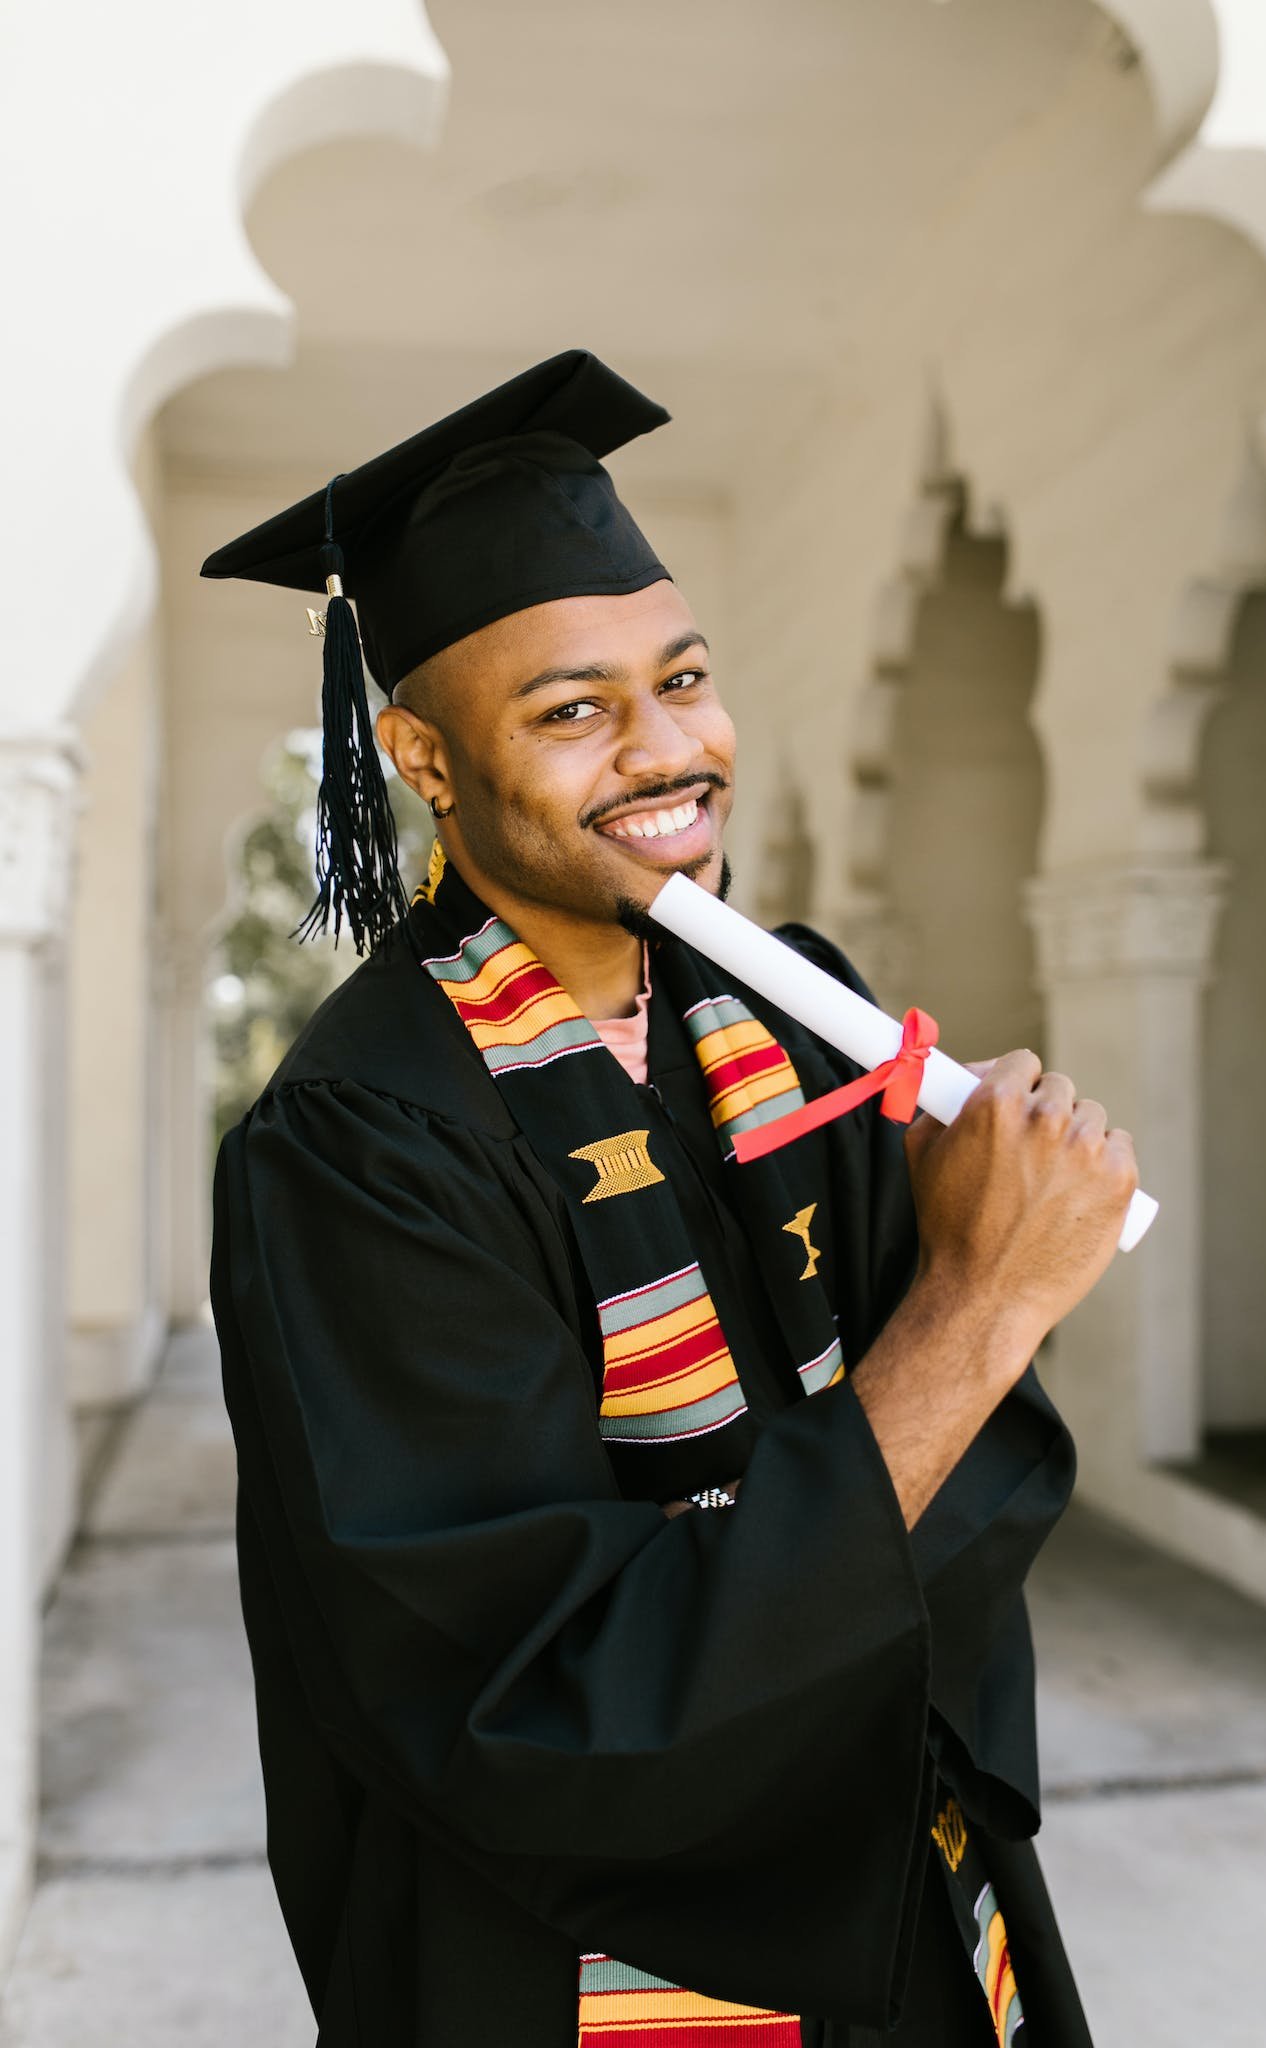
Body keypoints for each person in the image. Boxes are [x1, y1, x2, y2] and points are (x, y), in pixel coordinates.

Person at [205, 349, 1137, 2047]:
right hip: (578, 1966)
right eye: (571, 710)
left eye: (685, 678)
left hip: (902, 1889)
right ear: (418, 752)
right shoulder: (361, 1140)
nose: (666, 749)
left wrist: (978, 1251)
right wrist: (981, 1300)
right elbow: (522, 1698)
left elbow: (966, 1513)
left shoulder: (794, 1005)